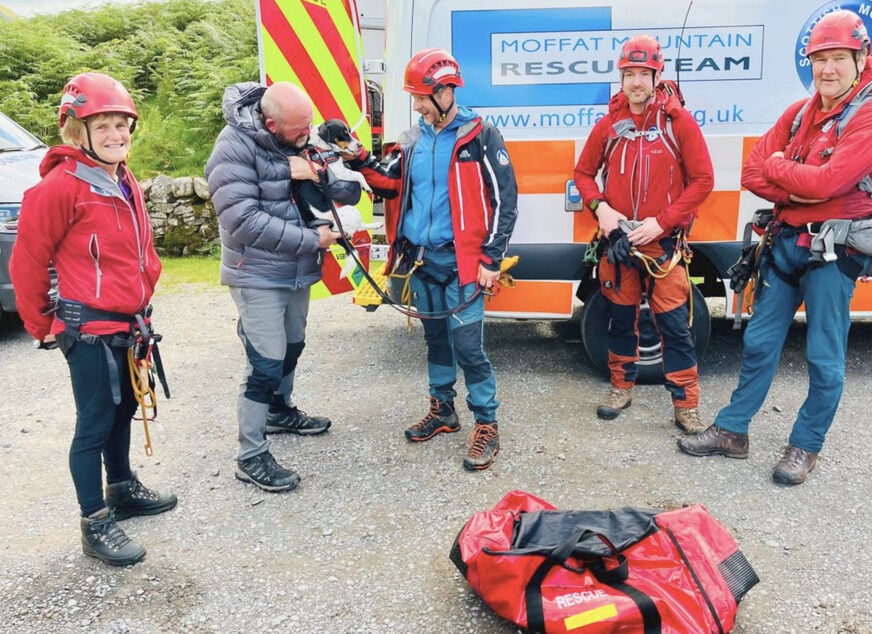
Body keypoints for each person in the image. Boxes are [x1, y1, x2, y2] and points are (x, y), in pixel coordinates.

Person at [678, 10, 872, 485]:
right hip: (785, 246)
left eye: (839, 58)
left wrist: (788, 176)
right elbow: (751, 172)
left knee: (823, 356)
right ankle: (734, 431)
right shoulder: (799, 112)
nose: (828, 69)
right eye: (820, 59)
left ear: (861, 59)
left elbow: (832, 180)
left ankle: (805, 445)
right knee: (758, 343)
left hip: (834, 255)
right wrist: (804, 190)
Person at [9, 72, 177, 566]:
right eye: (100, 125)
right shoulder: (58, 189)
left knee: (123, 407)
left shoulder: (122, 178)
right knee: (95, 422)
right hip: (87, 329)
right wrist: (43, 325)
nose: (115, 135)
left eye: (121, 125)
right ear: (75, 130)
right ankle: (94, 522)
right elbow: (27, 263)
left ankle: (121, 488)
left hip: (128, 324)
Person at [349, 48, 518, 471]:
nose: (417, 104)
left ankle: (487, 424)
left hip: (463, 263)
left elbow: (505, 202)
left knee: (468, 347)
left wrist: (490, 260)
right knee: (436, 339)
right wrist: (357, 159)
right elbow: (389, 185)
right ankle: (443, 409)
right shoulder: (413, 139)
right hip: (421, 261)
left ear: (446, 91)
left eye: (422, 96)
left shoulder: (480, 134)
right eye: (415, 97)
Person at [205, 81, 360, 493]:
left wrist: (322, 205)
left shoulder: (295, 138)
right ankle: (250, 455)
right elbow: (244, 221)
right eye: (297, 128)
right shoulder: (232, 147)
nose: (305, 134)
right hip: (256, 272)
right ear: (270, 123)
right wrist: (314, 240)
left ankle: (279, 410)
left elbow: (312, 195)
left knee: (293, 344)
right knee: (264, 362)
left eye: (308, 124)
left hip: (296, 267)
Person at [573, 35, 714, 431]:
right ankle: (621, 387)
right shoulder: (610, 125)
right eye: (629, 74)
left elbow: (703, 181)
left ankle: (686, 404)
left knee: (674, 326)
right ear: (621, 77)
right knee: (620, 319)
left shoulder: (676, 121)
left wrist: (663, 221)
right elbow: (583, 175)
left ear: (657, 75)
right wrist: (602, 210)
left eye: (643, 74)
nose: (636, 82)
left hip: (662, 244)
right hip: (618, 244)